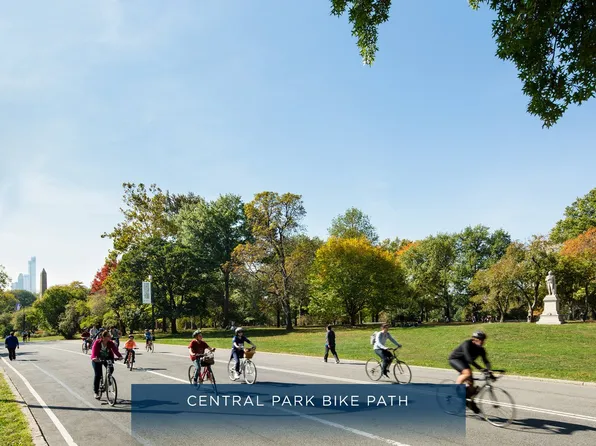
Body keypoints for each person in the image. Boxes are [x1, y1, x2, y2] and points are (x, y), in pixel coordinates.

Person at [448, 331, 492, 414]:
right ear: (474, 339)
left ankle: (469, 402)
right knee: (467, 373)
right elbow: (469, 359)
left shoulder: (481, 349)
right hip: (455, 359)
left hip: (465, 363)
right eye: (479, 339)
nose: (481, 341)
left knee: (471, 387)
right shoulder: (467, 344)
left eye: (483, 340)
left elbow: (486, 361)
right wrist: (481, 369)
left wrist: (489, 371)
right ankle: (455, 392)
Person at [90, 330, 122, 399]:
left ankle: (108, 379)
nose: (110, 337)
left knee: (111, 368)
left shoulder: (110, 343)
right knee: (98, 375)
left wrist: (120, 356)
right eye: (108, 336)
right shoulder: (97, 342)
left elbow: (115, 350)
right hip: (97, 359)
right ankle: (96, 392)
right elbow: (94, 352)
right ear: (103, 337)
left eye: (110, 336)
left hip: (107, 358)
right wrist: (94, 358)